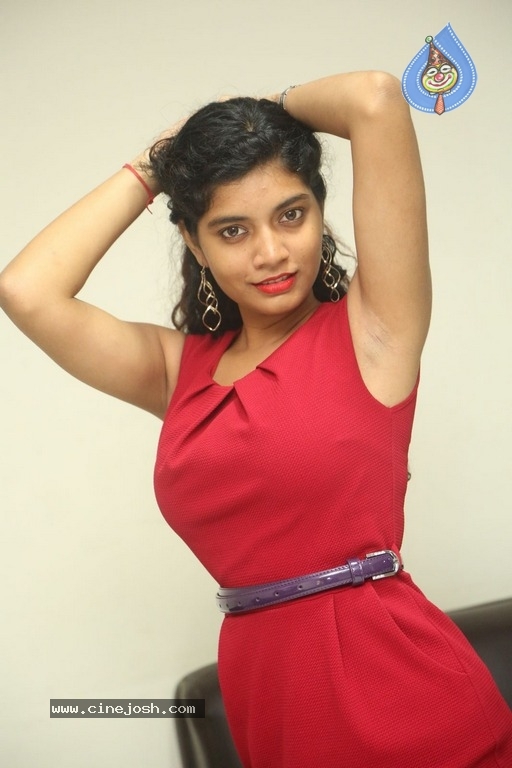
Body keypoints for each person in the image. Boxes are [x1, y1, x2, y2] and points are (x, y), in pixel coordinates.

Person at [1, 72, 511, 767]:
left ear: (320, 211)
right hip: (268, 694)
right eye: (233, 230)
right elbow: (26, 291)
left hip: (409, 701)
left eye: (291, 215)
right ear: (195, 242)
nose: (270, 252)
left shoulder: (374, 332)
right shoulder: (180, 372)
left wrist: (256, 116)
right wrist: (162, 162)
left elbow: (376, 99)